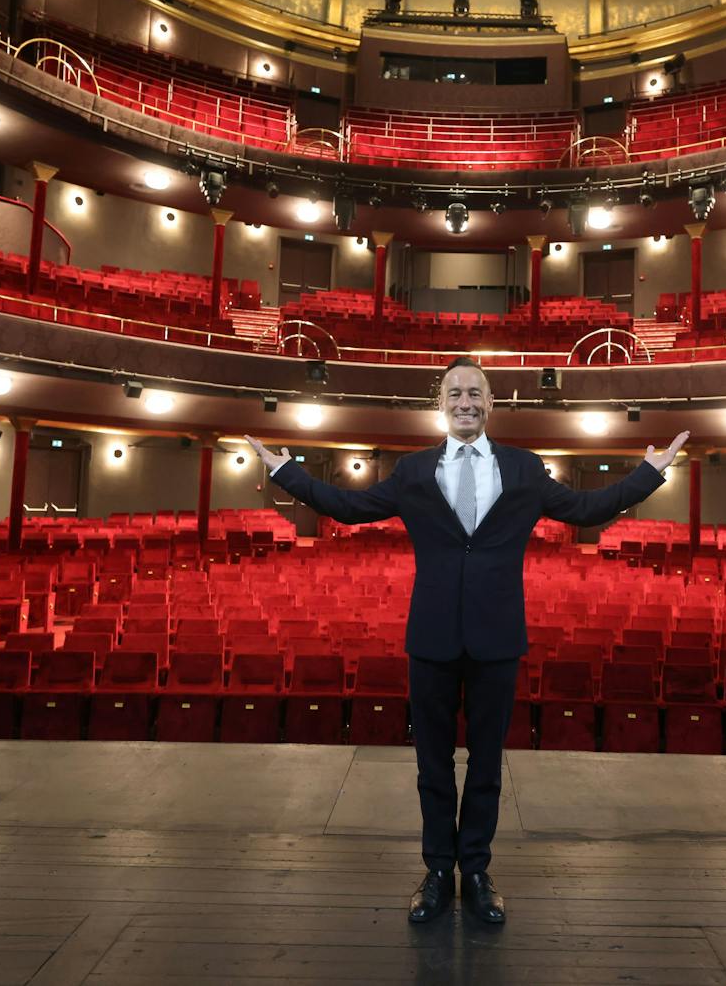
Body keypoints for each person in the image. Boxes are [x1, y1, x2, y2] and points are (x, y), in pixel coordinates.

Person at [244, 356, 688, 925]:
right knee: (433, 765)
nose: (465, 402)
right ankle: (436, 871)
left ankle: (475, 871)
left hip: (497, 638)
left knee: (485, 766)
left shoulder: (525, 469)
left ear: (491, 401)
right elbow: (350, 509)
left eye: (475, 392)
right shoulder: (414, 471)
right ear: (441, 404)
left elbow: (585, 509)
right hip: (430, 637)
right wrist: (288, 473)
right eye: (455, 393)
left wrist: (648, 472)